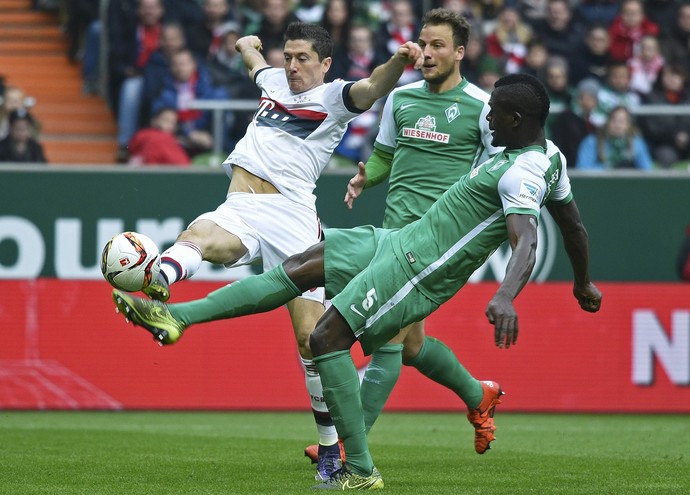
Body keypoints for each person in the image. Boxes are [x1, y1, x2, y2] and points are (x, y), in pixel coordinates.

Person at [111, 73, 603, 490]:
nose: (488, 119)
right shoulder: (549, 156)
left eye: (495, 113)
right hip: (399, 239)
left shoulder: (525, 171)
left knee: (326, 338)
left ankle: (361, 471)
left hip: (417, 269)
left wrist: (504, 294)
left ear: (516, 120)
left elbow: (527, 239)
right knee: (304, 264)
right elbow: (575, 227)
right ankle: (175, 316)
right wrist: (583, 284)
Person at [128, 21, 424, 482]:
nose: (292, 66)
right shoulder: (272, 81)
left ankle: (330, 448)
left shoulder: (333, 96)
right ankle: (159, 283)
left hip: (294, 218)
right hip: (241, 205)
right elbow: (255, 64)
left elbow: (372, 86)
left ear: (325, 63)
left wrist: (400, 63)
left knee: (311, 340)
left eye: (302, 58)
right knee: (199, 236)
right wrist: (248, 47)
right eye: (287, 56)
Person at [335, 7, 501, 456]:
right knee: (411, 345)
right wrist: (364, 175)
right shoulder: (400, 98)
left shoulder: (483, 108)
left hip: (437, 243)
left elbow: (497, 175)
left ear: (460, 52)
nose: (426, 54)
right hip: (394, 234)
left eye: (437, 46)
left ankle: (347, 447)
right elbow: (385, 156)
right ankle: (477, 395)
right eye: (423, 45)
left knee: (387, 338)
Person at [575, 105, 653, 170]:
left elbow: (647, 170)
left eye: (622, 121)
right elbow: (582, 170)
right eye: (614, 120)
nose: (617, 125)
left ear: (628, 125)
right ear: (607, 122)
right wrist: (611, 168)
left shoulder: (637, 143)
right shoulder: (591, 142)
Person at [127, 107, 191, 166]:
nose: (170, 125)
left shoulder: (138, 138)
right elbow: (184, 167)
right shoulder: (161, 139)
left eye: (174, 123)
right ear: (154, 121)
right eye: (166, 120)